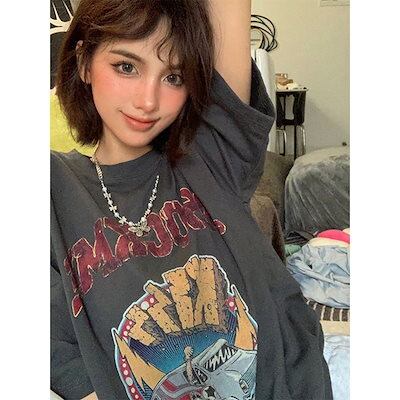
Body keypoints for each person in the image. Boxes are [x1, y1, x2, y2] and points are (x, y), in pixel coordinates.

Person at [51, 1, 333, 399]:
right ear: (84, 62)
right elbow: (57, 353)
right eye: (126, 67)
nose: (148, 100)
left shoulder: (212, 156)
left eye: (173, 77)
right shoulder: (54, 187)